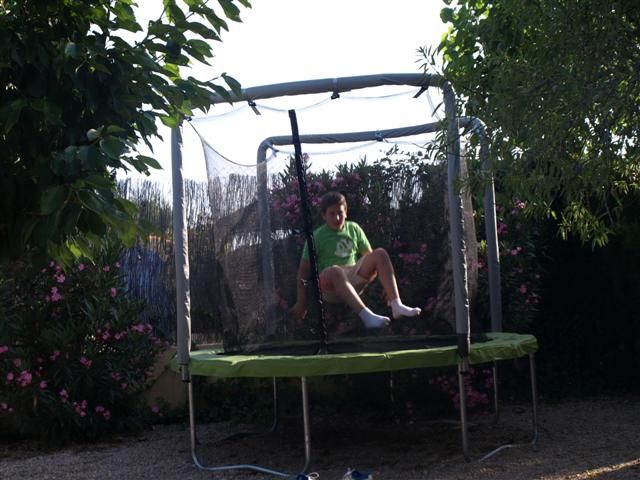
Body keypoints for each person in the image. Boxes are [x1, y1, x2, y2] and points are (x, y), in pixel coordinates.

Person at [291, 191, 421, 328]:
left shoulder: (354, 228)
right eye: (332, 214)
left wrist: (387, 286)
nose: (337, 218)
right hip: (330, 285)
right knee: (335, 271)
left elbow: (369, 258)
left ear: (346, 212)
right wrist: (301, 302)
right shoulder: (316, 237)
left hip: (353, 277)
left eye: (340, 212)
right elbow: (303, 271)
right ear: (324, 215)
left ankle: (396, 304)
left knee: (380, 253)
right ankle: (367, 316)